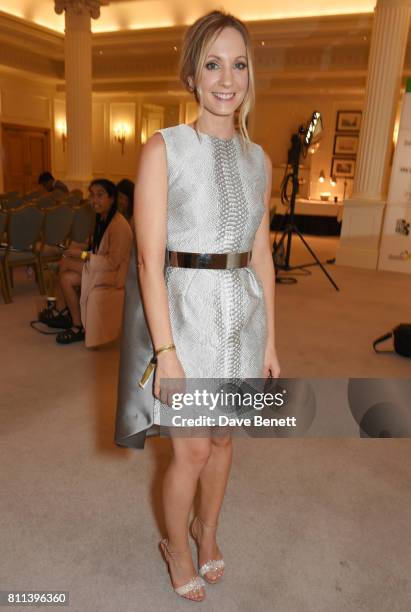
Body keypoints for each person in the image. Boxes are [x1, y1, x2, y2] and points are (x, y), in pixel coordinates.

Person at [115, 10, 280, 602]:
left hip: (243, 318)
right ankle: (176, 546)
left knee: (226, 440)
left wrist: (270, 342)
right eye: (213, 63)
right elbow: (145, 261)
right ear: (191, 74)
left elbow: (260, 255)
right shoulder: (164, 150)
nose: (227, 78)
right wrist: (166, 354)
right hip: (185, 317)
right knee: (190, 448)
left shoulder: (258, 159)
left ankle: (206, 534)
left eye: (238, 64)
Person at [39, 179, 132, 345]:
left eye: (100, 195)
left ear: (112, 199)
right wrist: (79, 249)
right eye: (92, 195)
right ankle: (76, 322)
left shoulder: (119, 225)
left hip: (114, 274)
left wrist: (82, 255)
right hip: (102, 268)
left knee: (66, 262)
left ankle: (63, 311)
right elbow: (98, 248)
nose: (94, 200)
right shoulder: (103, 218)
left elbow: (112, 263)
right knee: (66, 278)